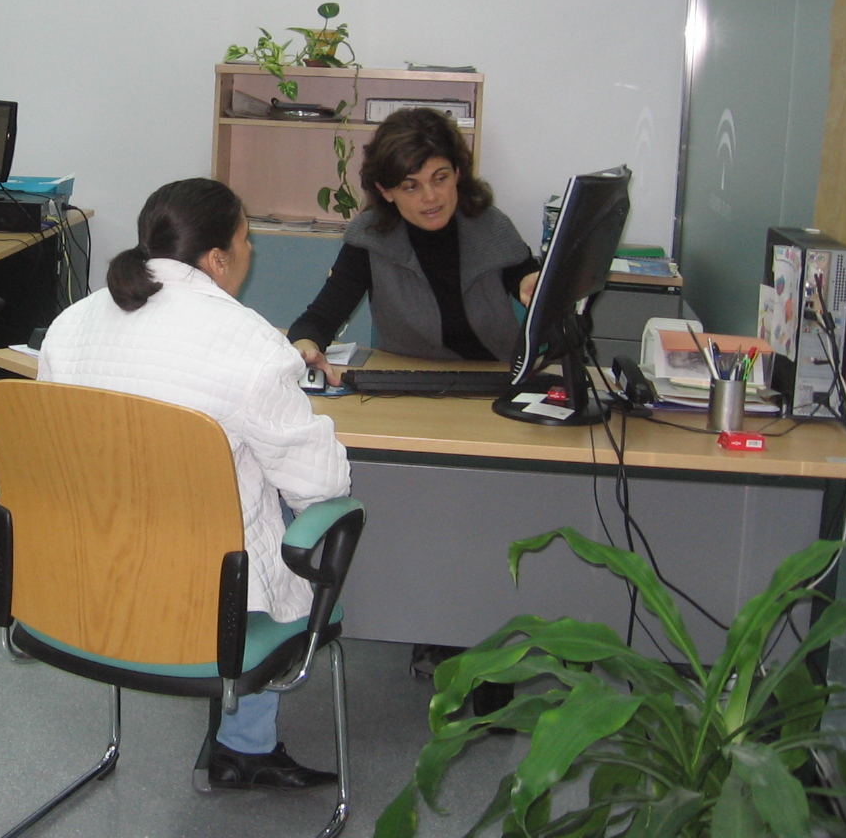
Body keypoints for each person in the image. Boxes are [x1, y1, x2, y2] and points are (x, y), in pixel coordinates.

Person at [38, 178, 350, 792]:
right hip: (208, 607)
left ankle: (241, 743)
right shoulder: (252, 343)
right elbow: (322, 485)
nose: (251, 251)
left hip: (83, 593)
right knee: (299, 517)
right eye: (246, 239)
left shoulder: (69, 326)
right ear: (216, 259)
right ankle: (245, 746)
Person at [290, 108, 540, 385]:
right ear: (386, 191)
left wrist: (532, 282)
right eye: (411, 187)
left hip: (497, 379)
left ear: (457, 173)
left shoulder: (490, 224)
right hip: (409, 382)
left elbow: (525, 276)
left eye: (440, 178)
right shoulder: (369, 239)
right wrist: (305, 347)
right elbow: (320, 319)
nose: (431, 197)